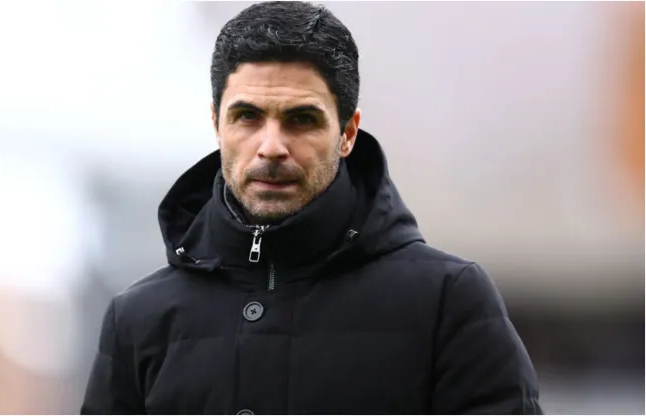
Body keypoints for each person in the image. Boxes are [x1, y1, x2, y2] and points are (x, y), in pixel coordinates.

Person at [81, 1, 542, 414]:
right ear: (216, 124)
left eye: (302, 119)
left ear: (347, 133)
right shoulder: (138, 320)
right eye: (248, 117)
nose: (272, 146)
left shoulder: (448, 301)